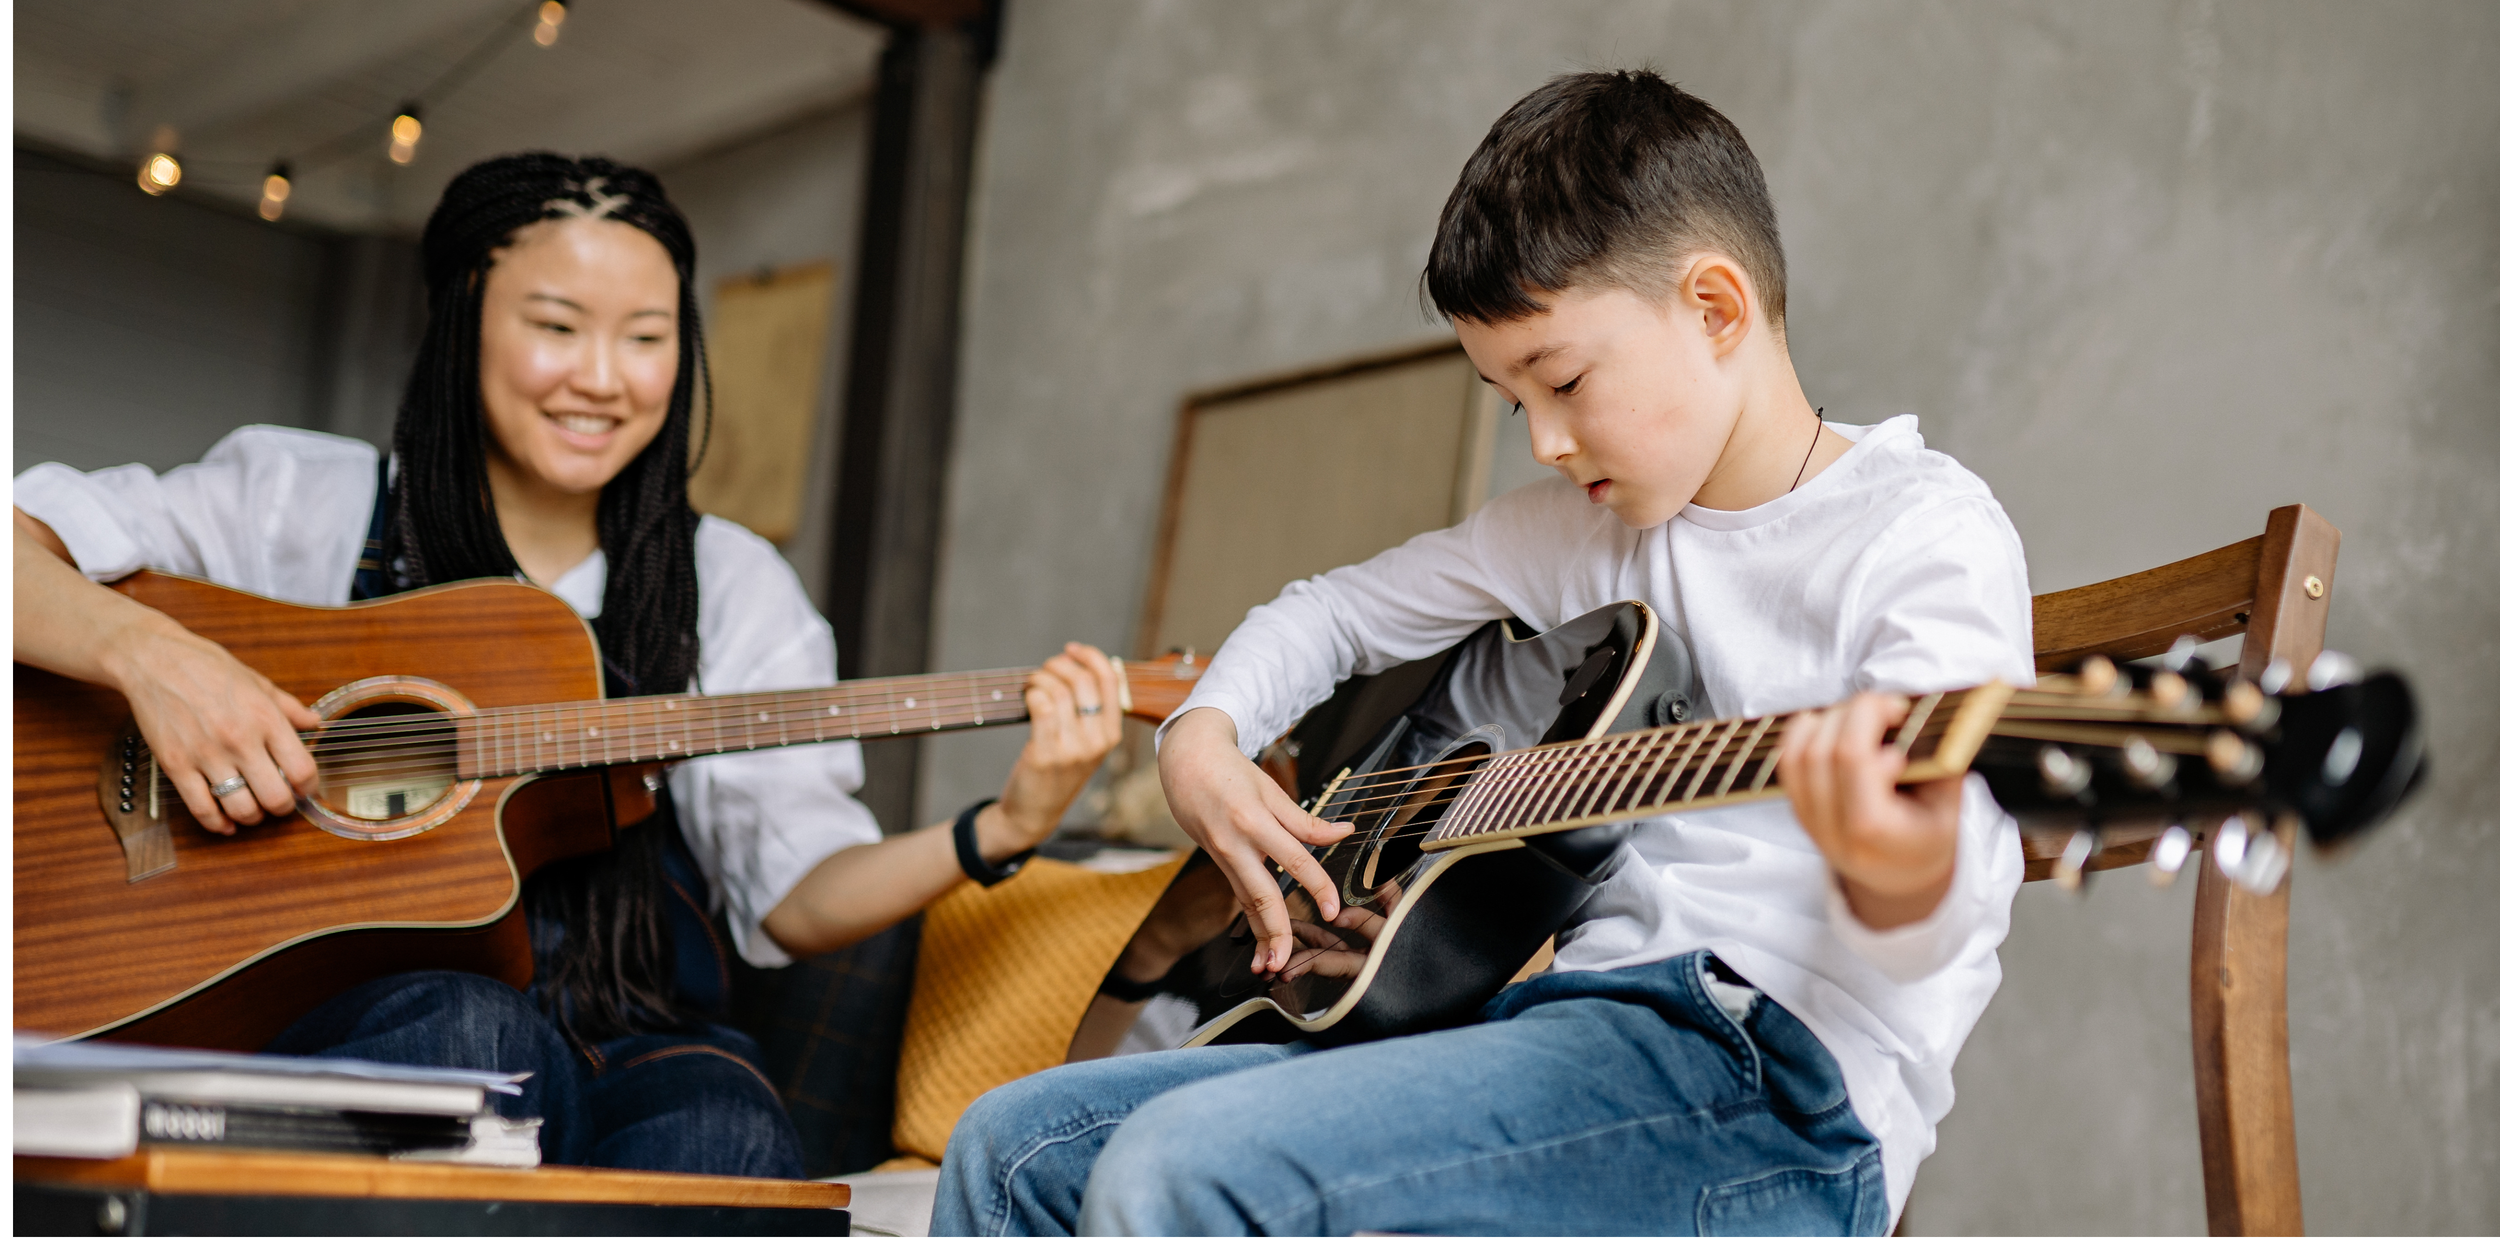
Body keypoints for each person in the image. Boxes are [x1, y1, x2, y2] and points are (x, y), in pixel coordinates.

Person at [931, 71, 2033, 1235]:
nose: (1547, 441)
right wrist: (1202, 740)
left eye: (1561, 381)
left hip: (1778, 1087)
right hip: (1560, 1028)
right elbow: (1330, 614)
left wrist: (1892, 861)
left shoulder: (1920, 531)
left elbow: (1948, 902)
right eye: (1513, 402)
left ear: (1716, 309)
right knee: (1012, 1146)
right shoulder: (1580, 534)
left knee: (1183, 1168)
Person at [12, 153, 1126, 1179]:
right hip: (336, 1016)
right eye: (556, 324)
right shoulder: (301, 500)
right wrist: (149, 657)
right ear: (464, 321)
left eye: (645, 337)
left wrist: (1003, 828)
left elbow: (794, 898)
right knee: (471, 1034)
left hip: (633, 1029)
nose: (602, 378)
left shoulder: (729, 582)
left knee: (730, 1127)